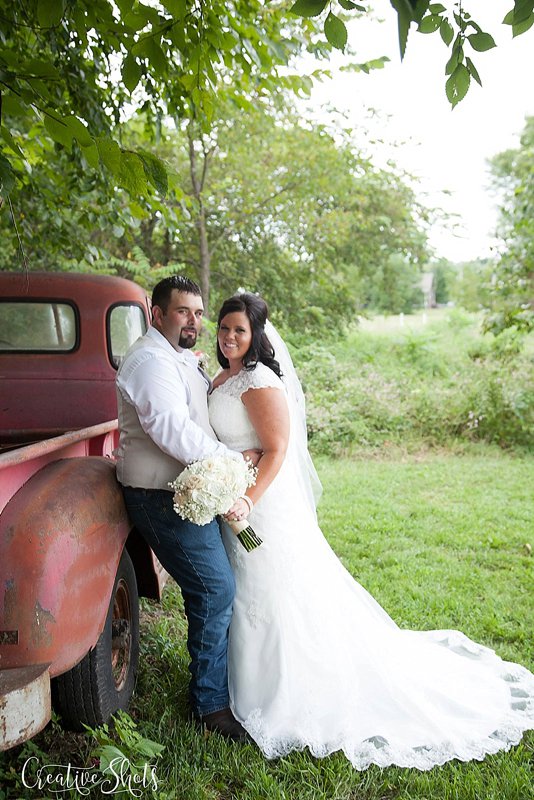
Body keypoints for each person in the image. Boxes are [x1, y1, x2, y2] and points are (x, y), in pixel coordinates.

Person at [208, 291, 534, 769]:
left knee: (273, 592)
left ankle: (289, 691)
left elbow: (277, 449)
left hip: (261, 505)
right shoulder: (222, 377)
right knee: (245, 592)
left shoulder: (259, 380)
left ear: (256, 334)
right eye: (224, 327)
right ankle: (239, 681)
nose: (230, 336)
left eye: (240, 329)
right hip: (232, 495)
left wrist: (246, 499)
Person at [116, 276, 258, 741]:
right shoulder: (149, 361)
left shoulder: (180, 357)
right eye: (183, 312)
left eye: (198, 313)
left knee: (216, 585)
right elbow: (171, 429)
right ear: (157, 314)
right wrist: (230, 462)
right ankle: (209, 705)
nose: (193, 321)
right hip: (160, 495)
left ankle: (217, 686)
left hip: (193, 489)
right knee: (215, 588)